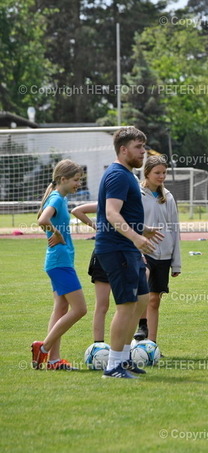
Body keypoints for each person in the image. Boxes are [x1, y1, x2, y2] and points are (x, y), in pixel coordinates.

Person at [95, 126, 164, 379]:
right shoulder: (118, 175)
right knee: (125, 305)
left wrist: (142, 230)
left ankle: (124, 359)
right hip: (118, 248)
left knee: (142, 300)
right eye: (138, 147)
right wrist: (136, 237)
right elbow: (112, 213)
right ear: (123, 149)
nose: (143, 151)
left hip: (128, 247)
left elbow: (121, 213)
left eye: (143, 146)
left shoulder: (126, 175)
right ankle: (113, 366)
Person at [32, 159, 88, 371]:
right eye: (75, 180)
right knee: (80, 309)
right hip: (60, 263)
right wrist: (56, 234)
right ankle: (44, 348)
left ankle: (54, 361)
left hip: (60, 262)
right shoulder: (56, 197)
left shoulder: (61, 198)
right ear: (62, 179)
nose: (78, 184)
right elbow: (42, 220)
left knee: (62, 308)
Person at [134, 155, 182, 346]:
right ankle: (139, 328)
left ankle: (151, 345)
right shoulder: (136, 194)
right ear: (147, 173)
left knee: (155, 300)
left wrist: (176, 262)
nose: (161, 176)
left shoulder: (168, 196)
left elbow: (174, 228)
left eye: (164, 173)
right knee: (141, 295)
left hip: (164, 255)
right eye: (157, 173)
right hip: (143, 251)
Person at [71, 202, 112, 343]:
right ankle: (98, 345)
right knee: (102, 304)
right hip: (103, 255)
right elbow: (77, 211)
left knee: (126, 304)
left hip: (125, 255)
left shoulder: (131, 203)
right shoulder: (106, 203)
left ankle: (122, 347)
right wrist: (96, 227)